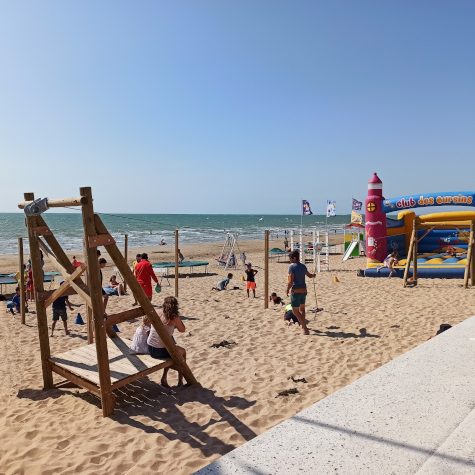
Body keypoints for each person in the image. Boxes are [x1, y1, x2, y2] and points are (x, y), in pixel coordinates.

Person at [147, 296, 187, 387]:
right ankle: (180, 381)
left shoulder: (157, 312)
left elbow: (149, 323)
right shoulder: (174, 317)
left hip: (150, 347)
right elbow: (182, 330)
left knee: (170, 346)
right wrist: (177, 320)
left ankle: (164, 377)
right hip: (160, 351)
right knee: (182, 352)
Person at [286, 250, 315, 335]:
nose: (290, 260)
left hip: (296, 291)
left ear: (294, 258)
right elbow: (309, 275)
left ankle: (305, 328)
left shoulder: (291, 267)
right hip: (304, 290)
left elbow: (290, 282)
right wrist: (313, 275)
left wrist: (287, 289)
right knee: (302, 309)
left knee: (295, 311)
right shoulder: (303, 266)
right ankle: (303, 326)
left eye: (290, 258)